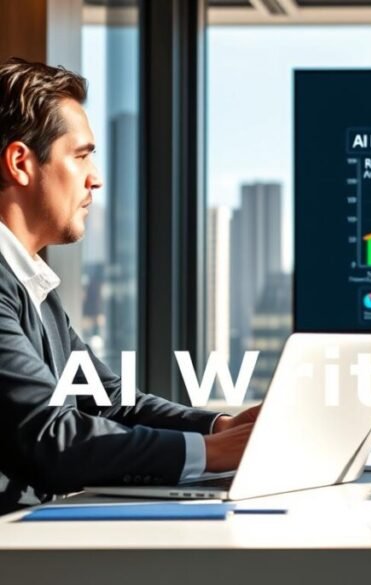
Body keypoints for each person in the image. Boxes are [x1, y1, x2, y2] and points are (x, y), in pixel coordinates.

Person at [0, 57, 257, 514]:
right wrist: (217, 454)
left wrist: (220, 427)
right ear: (21, 163)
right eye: (80, 156)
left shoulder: (30, 278)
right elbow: (48, 436)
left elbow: (107, 400)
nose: (94, 178)